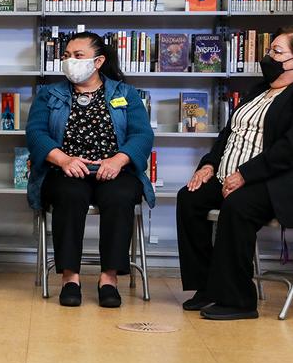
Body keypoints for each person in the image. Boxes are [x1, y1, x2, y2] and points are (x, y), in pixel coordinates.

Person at [25, 31, 154, 308]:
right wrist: (63, 160)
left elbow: (142, 135)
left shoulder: (125, 93)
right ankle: (70, 278)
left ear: (98, 62)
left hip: (114, 170)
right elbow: (35, 133)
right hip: (66, 171)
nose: (70, 61)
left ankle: (109, 279)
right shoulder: (50, 94)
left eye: (78, 56)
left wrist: (119, 160)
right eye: (66, 56)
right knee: (69, 196)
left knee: (120, 197)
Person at [176, 27, 293, 320]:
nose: (269, 57)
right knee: (188, 198)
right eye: (270, 51)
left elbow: (287, 150)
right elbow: (229, 134)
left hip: (269, 182)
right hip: (226, 174)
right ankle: (206, 287)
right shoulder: (259, 90)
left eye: (277, 52)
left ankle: (240, 300)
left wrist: (244, 175)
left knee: (237, 207)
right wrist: (208, 165)